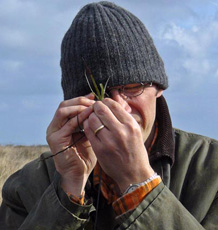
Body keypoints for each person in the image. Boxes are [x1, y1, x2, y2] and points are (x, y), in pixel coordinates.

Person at [0, 1, 218, 229]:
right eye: (96, 94)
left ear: (159, 87)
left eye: (132, 87)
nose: (117, 108)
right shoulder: (27, 185)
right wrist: (68, 191)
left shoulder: (211, 171)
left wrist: (140, 185)